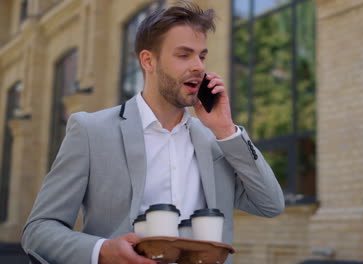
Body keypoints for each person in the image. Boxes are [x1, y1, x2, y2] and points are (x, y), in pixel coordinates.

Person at [21, 1, 284, 264]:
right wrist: (102, 250)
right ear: (148, 60)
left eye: (201, 56)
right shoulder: (92, 132)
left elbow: (270, 204)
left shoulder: (217, 142)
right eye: (184, 55)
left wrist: (226, 129)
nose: (198, 66)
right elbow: (39, 230)